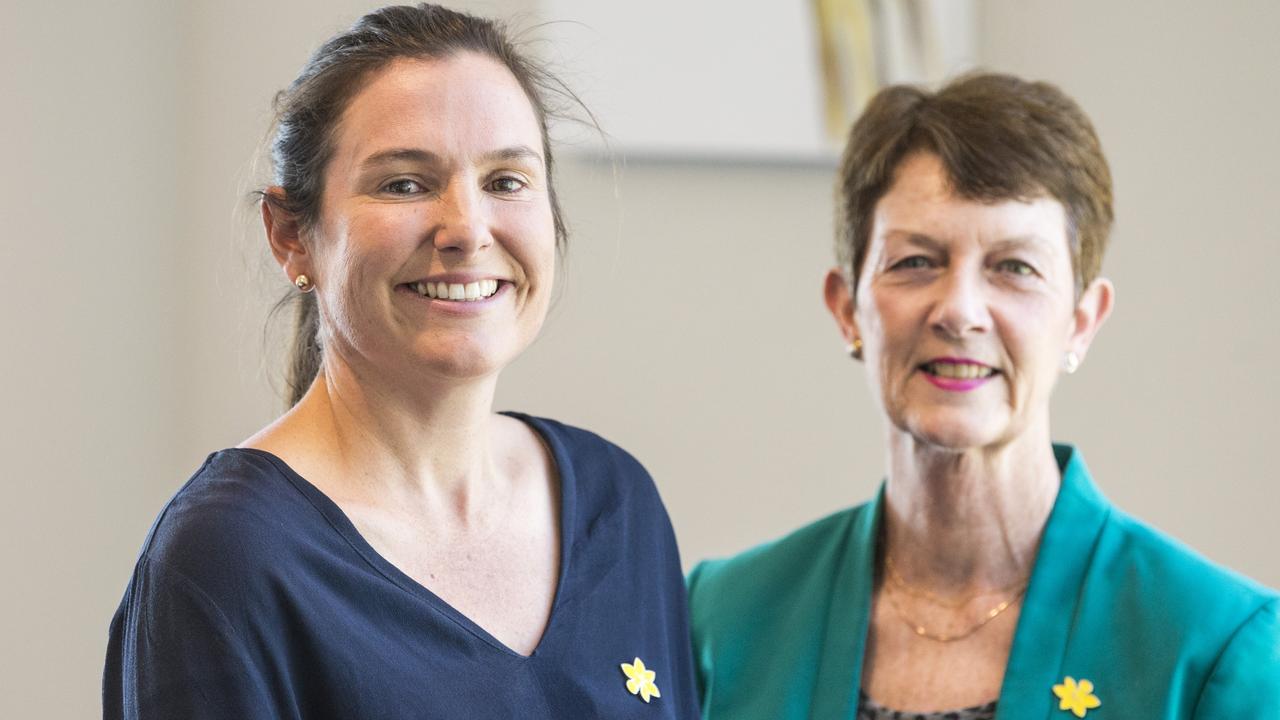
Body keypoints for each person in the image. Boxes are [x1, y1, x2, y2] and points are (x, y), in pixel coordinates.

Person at [103, 5, 699, 718]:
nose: (467, 229)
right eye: (404, 184)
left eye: (507, 181)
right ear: (292, 234)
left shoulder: (618, 503)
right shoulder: (226, 558)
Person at [687, 73, 1280, 719]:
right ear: (847, 309)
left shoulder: (1218, 646)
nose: (961, 311)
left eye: (1014, 267)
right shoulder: (720, 619)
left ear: (1083, 320)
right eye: (915, 261)